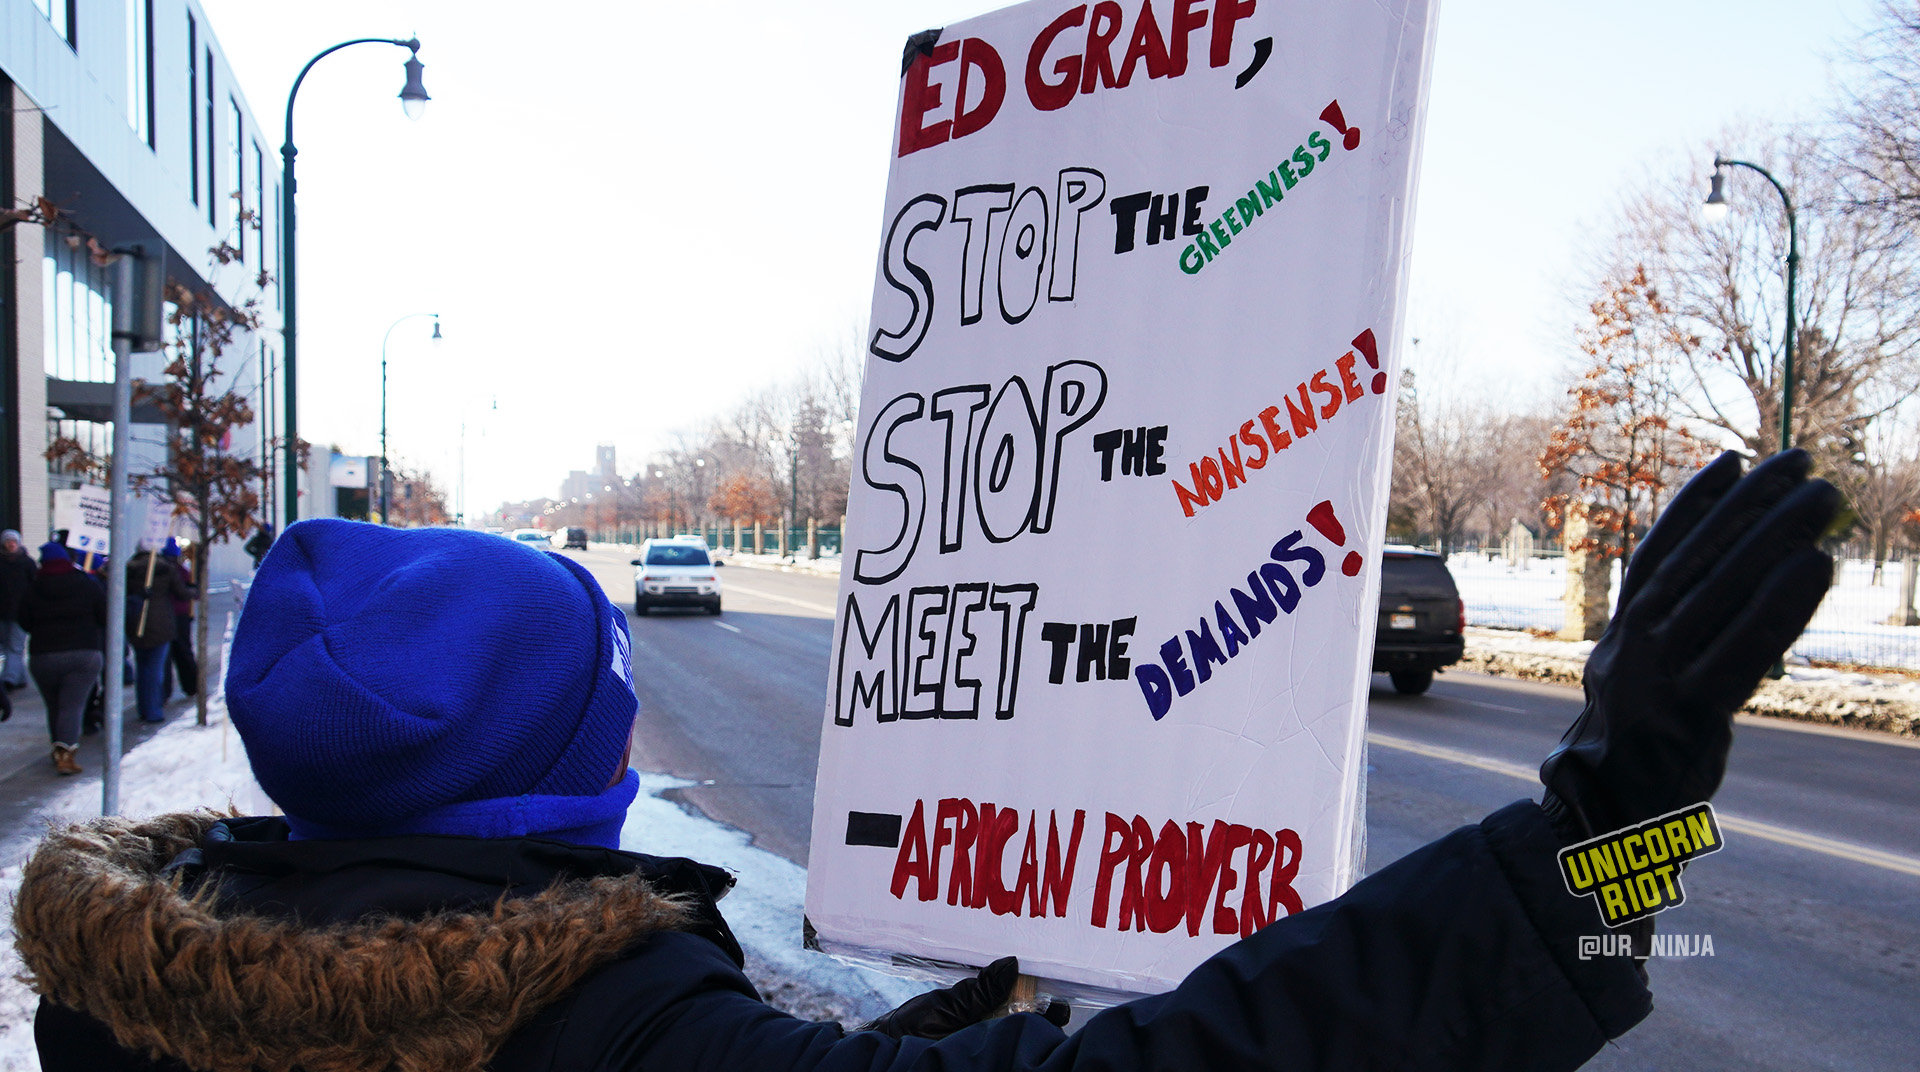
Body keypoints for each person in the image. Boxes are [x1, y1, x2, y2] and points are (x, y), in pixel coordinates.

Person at [15, 451, 1837, 1071]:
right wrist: (1614, 822)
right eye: (607, 703)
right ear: (550, 764)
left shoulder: (131, 995)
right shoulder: (600, 1028)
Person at [15, 543, 106, 776]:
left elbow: (24, 621)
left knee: (54, 705)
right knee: (72, 706)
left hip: (43, 655)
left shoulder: (33, 588)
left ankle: (58, 748)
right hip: (83, 653)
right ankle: (66, 753)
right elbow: (104, 615)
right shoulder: (86, 584)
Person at [124, 544, 188, 723]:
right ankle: (153, 710)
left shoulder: (129, 569)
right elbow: (181, 592)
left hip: (136, 622)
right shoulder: (165, 568)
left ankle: (143, 708)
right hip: (161, 623)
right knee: (154, 670)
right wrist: (193, 590)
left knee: (142, 667)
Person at [159, 539, 198, 701]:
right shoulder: (179, 571)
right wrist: (193, 590)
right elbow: (185, 592)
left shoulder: (158, 569)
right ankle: (192, 686)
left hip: (163, 617)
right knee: (183, 652)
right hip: (179, 615)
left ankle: (163, 692)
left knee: (164, 656)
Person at [0, 529, 36, 690]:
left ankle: (9, 679)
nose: (11, 544)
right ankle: (20, 678)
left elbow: (34, 585)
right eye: (8, 541)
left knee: (15, 646)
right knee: (8, 646)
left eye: (13, 541)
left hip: (20, 612)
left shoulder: (27, 563)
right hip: (2, 612)